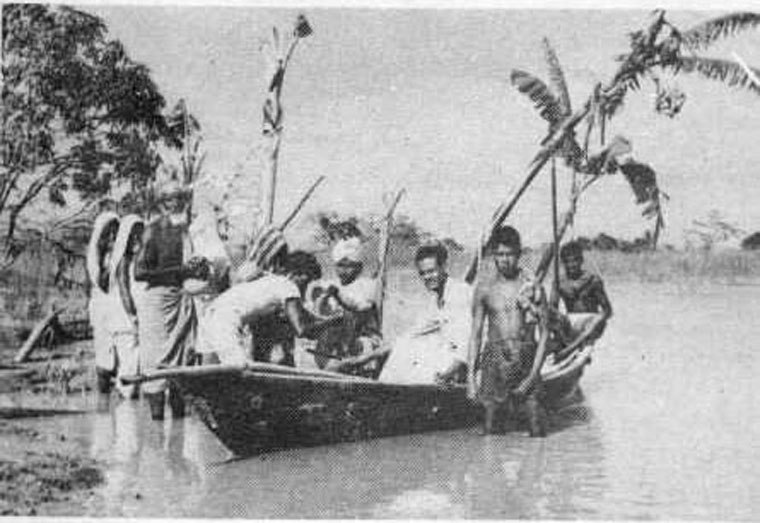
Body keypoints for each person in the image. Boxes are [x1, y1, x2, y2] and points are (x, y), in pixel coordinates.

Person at [328, 242, 472, 385]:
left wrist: (448, 374)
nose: (427, 277)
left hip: (457, 364)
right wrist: (359, 360)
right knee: (404, 346)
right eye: (423, 273)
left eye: (431, 271)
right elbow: (407, 336)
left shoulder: (460, 293)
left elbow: (466, 342)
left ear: (443, 267)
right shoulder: (433, 300)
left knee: (414, 352)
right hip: (443, 357)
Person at [134, 181, 211, 420]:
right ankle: (156, 422)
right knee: (155, 365)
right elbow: (140, 273)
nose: (176, 204)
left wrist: (197, 270)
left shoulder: (191, 231)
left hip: (182, 300)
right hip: (159, 303)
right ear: (162, 204)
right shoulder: (153, 230)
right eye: (170, 199)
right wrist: (180, 270)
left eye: (180, 199)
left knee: (183, 364)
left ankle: (178, 424)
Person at [467, 226, 550, 437]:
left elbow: (545, 335)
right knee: (490, 434)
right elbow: (475, 335)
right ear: (494, 255)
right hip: (494, 363)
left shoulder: (532, 287)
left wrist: (532, 376)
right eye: (500, 254)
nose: (505, 260)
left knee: (538, 433)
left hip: (526, 361)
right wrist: (470, 377)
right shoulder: (484, 288)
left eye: (510, 254)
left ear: (519, 254)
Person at [197, 250, 338, 366]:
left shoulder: (268, 281)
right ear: (300, 275)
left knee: (207, 375)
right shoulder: (289, 286)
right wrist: (333, 322)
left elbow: (304, 314)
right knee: (239, 371)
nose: (305, 288)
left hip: (209, 313)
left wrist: (326, 319)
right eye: (307, 281)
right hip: (226, 319)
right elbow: (301, 330)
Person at [309, 237, 381, 371]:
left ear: (359, 267)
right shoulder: (330, 283)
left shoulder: (367, 285)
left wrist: (337, 295)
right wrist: (322, 298)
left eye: (349, 266)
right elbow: (318, 310)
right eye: (340, 265)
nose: (344, 270)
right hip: (335, 337)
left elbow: (357, 306)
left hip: (360, 335)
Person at [549, 241, 613, 360]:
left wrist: (599, 318)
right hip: (570, 323)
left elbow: (608, 311)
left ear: (581, 261)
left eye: (575, 260)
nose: (572, 265)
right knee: (546, 313)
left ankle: (570, 349)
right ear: (563, 263)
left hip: (590, 323)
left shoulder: (593, 280)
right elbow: (552, 307)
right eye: (568, 261)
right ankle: (561, 342)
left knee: (599, 319)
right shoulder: (559, 283)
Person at [110, 215, 145, 399]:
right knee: (129, 361)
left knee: (134, 360)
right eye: (135, 233)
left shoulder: (134, 258)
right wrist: (132, 315)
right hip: (125, 318)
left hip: (134, 316)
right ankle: (124, 401)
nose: (138, 237)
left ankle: (128, 406)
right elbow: (124, 288)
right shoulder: (122, 260)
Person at [86, 211, 120, 393]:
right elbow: (101, 282)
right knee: (104, 354)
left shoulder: (114, 252)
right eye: (109, 232)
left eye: (116, 232)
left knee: (120, 352)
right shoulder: (95, 253)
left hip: (116, 305)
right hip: (103, 306)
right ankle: (103, 397)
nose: (113, 236)